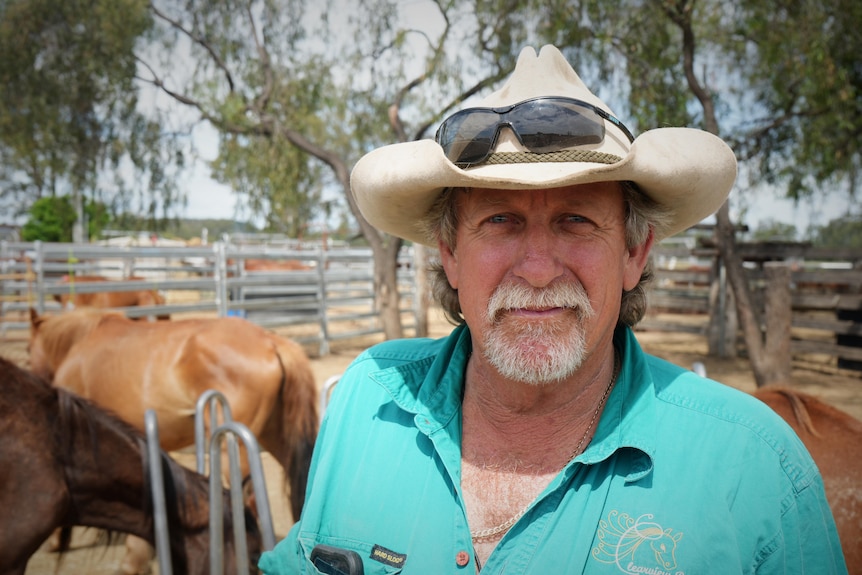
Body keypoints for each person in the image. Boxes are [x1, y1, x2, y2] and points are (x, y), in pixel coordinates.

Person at [259, 45, 846, 574]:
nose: (538, 269)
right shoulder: (369, 401)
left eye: (577, 221)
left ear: (634, 253)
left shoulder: (756, 472)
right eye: (500, 220)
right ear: (450, 253)